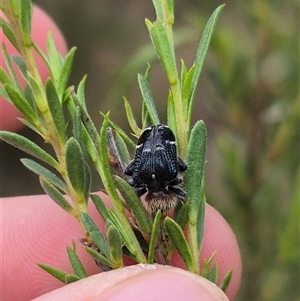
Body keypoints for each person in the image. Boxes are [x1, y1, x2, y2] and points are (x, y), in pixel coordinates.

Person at [1, 6, 242, 301]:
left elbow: (168, 169)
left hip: (155, 140)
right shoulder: (150, 179)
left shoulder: (147, 179)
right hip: (159, 138)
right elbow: (178, 167)